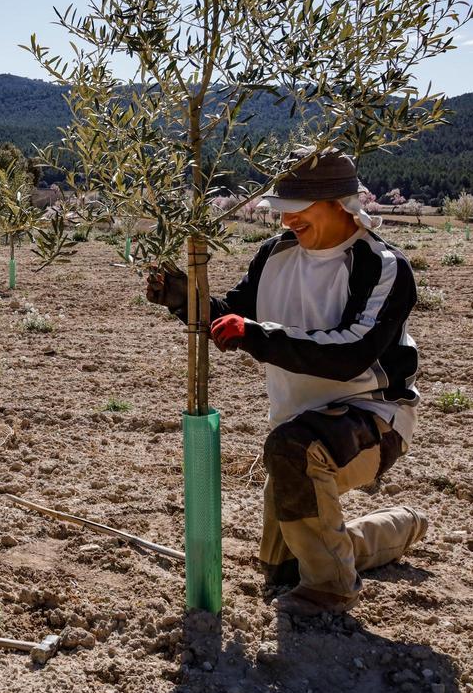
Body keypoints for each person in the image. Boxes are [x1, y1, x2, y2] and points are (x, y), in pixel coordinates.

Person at [147, 148, 428, 616]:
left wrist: (257, 336)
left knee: (293, 452)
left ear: (340, 204)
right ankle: (397, 528)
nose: (286, 221)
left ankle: (332, 589)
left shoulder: (382, 266)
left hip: (373, 421)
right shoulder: (275, 253)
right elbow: (234, 314)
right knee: (284, 569)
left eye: (297, 211)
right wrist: (186, 302)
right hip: (297, 428)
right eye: (281, 211)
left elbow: (352, 353)